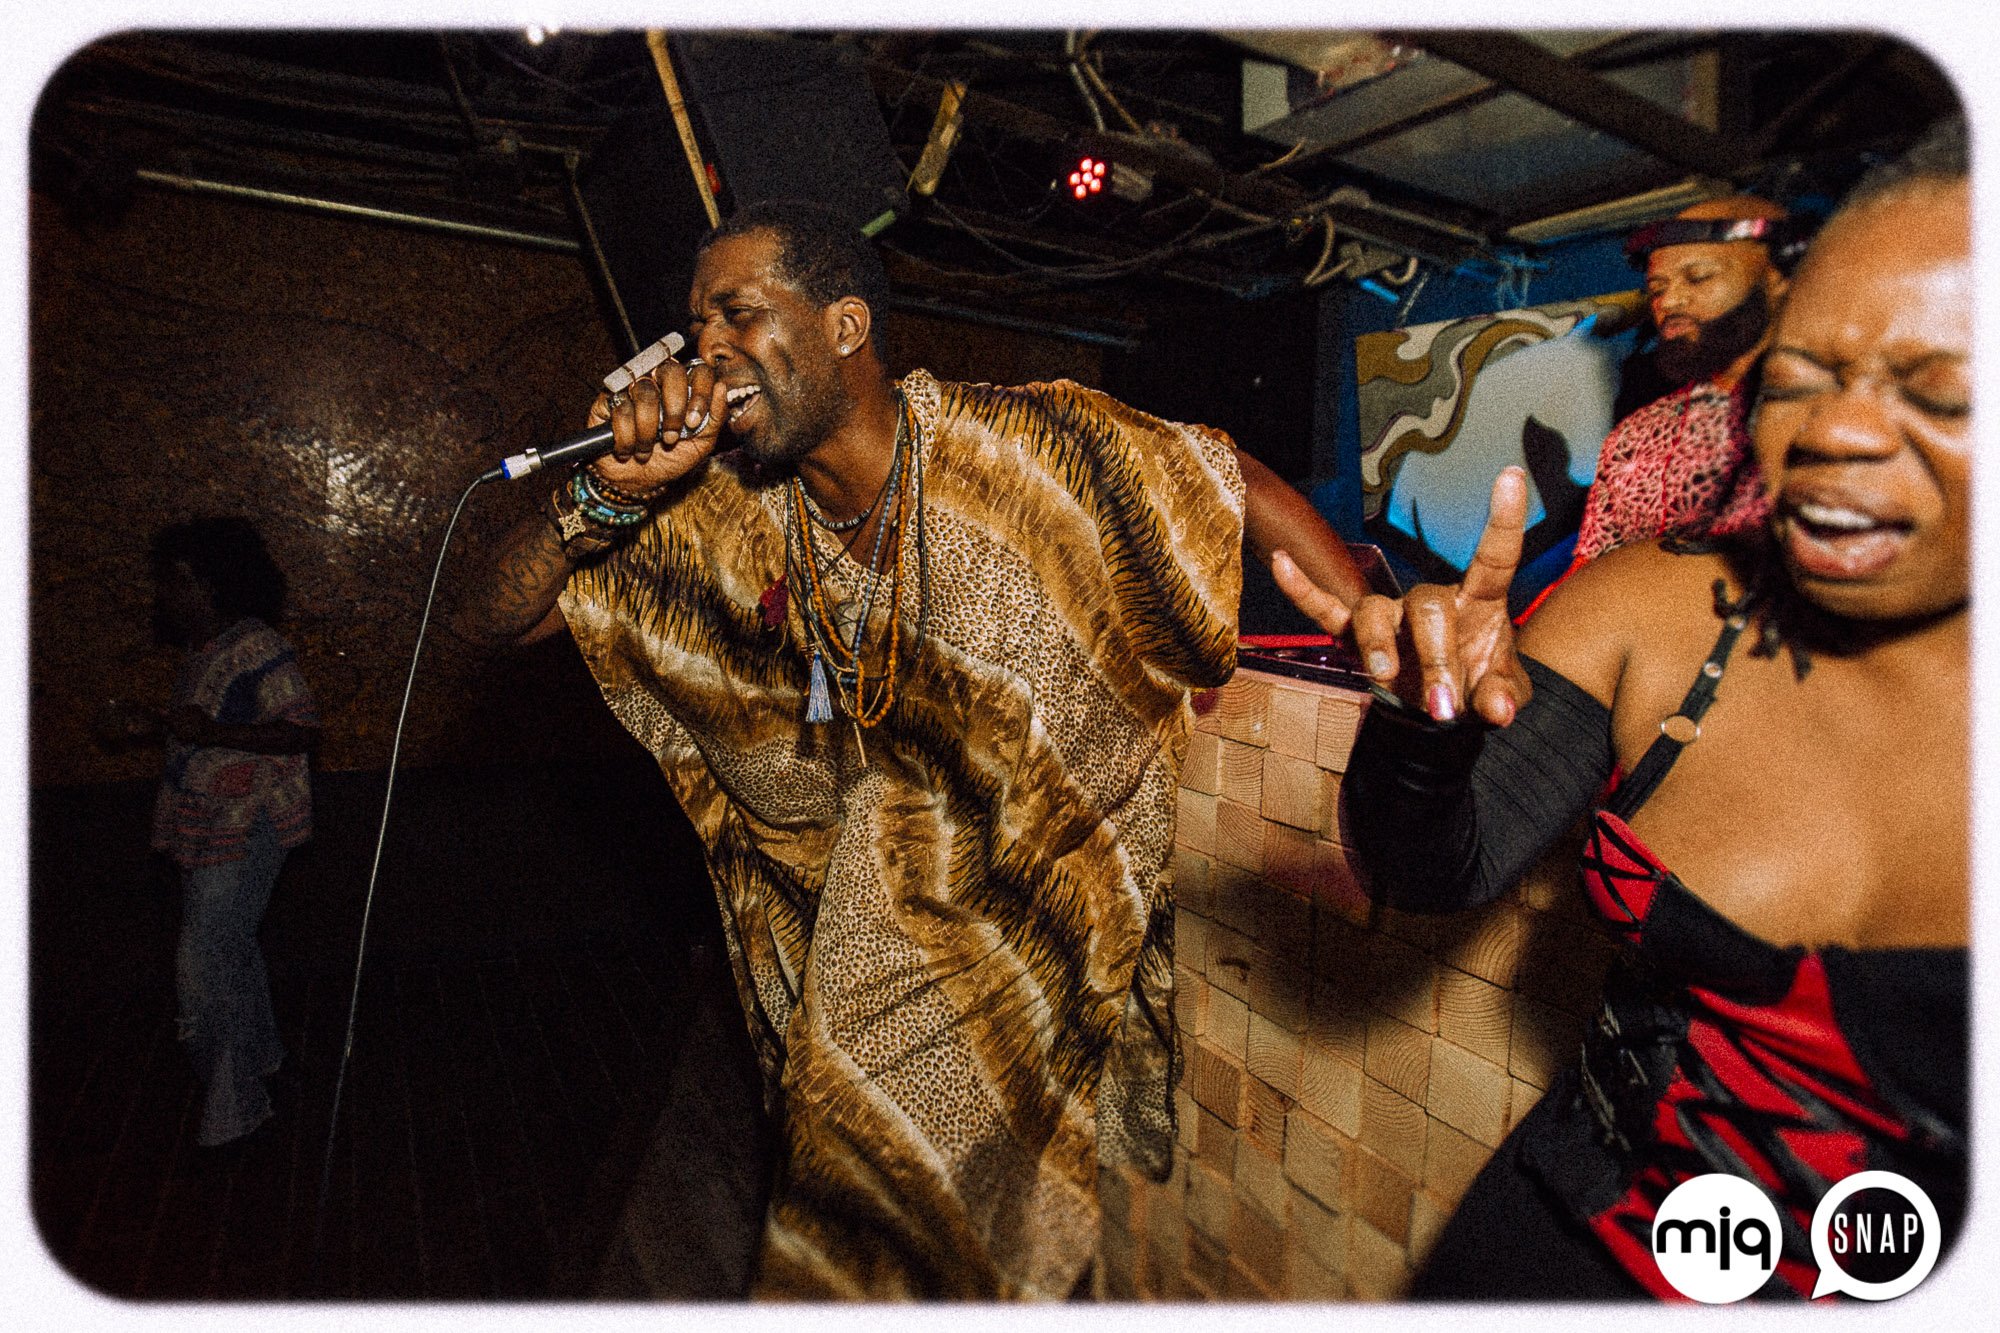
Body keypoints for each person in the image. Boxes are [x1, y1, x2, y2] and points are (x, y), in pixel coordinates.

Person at [459, 200, 1368, 1298]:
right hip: (840, 943)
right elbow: (492, 618)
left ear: (844, 325)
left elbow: (1229, 480)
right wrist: (604, 491)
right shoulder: (719, 511)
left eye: (737, 314)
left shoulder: (1022, 446)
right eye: (695, 327)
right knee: (873, 1221)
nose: (706, 351)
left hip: (1036, 920)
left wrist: (1367, 629)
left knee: (937, 1230)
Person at [1273, 124, 1967, 1298]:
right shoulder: (1660, 605)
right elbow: (1430, 867)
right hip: (1555, 1243)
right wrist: (1419, 721)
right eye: (1797, 379)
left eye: (1939, 392)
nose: (1832, 432)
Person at [1518, 196, 1799, 620]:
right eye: (1658, 289)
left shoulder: (1834, 412)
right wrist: (1526, 632)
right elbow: (1593, 575)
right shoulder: (1637, 435)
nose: (1669, 302)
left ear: (1778, 278)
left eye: (1698, 278)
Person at [136, 518, 320, 1147]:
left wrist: (210, 732)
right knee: (230, 949)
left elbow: (301, 728)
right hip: (209, 825)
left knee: (203, 968)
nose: (165, 593)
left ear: (212, 584)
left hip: (246, 827)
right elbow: (206, 726)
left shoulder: (255, 646)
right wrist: (158, 725)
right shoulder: (204, 650)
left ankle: (233, 1111)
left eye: (177, 580)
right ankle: (262, 1061)